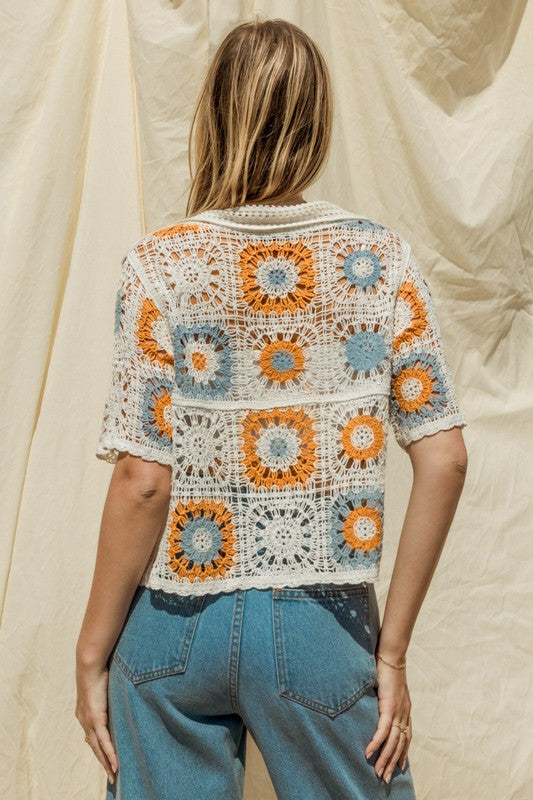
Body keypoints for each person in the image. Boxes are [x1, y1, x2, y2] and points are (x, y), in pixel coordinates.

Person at [75, 16, 468, 800]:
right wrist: (388, 656)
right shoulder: (377, 261)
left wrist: (91, 655)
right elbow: (444, 455)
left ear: (214, 117)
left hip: (168, 629)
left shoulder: (159, 264)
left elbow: (143, 481)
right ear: (316, 126)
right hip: (322, 625)